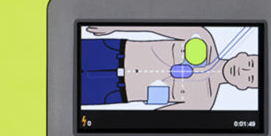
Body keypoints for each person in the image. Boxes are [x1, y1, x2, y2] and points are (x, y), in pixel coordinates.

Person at [80, 25, 258, 110]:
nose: (242, 71)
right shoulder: (202, 37)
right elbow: (154, 25)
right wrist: (115, 26)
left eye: (250, 78)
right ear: (243, 55)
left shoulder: (203, 103)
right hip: (111, 51)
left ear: (243, 87)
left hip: (112, 91)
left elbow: (152, 121)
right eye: (250, 64)